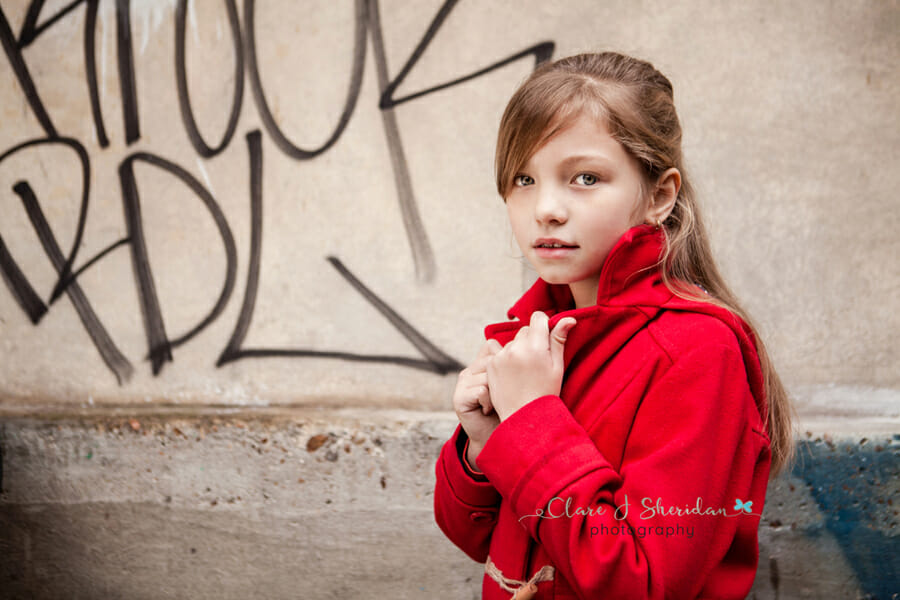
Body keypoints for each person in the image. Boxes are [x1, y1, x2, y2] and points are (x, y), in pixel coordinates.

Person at [433, 52, 795, 600]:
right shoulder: (539, 335)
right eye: (524, 178)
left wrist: (532, 422)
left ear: (659, 195)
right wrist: (483, 448)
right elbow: (480, 540)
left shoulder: (696, 351)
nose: (546, 208)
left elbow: (641, 583)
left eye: (585, 178)